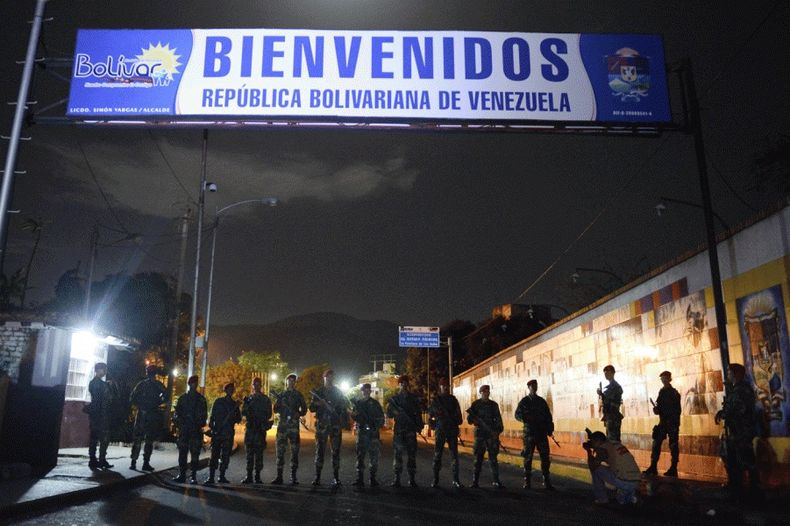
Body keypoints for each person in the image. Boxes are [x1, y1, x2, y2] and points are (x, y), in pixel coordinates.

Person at [715, 363, 760, 499]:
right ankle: (738, 486)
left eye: (730, 372)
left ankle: (752, 489)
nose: (728, 375)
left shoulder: (742, 390)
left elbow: (740, 409)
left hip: (742, 431)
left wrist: (725, 413)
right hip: (736, 431)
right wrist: (723, 412)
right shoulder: (736, 389)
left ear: (737, 374)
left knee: (745, 459)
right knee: (734, 459)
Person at [309, 369, 349, 487]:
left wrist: (339, 415)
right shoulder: (318, 392)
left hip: (335, 425)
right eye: (327, 377)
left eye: (331, 377)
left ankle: (336, 478)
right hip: (322, 425)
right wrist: (320, 404)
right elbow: (311, 408)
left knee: (336, 452)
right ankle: (317, 477)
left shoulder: (338, 392)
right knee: (320, 451)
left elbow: (343, 407)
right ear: (324, 378)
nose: (329, 379)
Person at [515, 379, 555, 490]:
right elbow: (517, 415)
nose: (534, 387)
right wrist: (526, 418)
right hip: (529, 434)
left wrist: (550, 429)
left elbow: (548, 416)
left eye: (535, 385)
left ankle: (546, 480)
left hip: (541, 433)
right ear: (529, 388)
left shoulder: (541, 401)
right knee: (528, 458)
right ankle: (527, 481)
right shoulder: (524, 401)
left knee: (545, 457)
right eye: (532, 386)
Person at [584, 430, 641, 505]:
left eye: (592, 442)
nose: (591, 444)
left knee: (597, 470)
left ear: (598, 441)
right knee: (622, 500)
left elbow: (593, 467)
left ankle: (602, 499)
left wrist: (588, 451)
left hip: (625, 481)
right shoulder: (614, 443)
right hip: (636, 480)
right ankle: (630, 495)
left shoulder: (603, 449)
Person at [386, 375, 423, 487]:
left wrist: (419, 426)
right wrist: (396, 412)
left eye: (405, 383)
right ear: (399, 385)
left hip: (410, 430)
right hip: (399, 430)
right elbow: (389, 414)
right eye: (402, 383)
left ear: (408, 384)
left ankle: (412, 479)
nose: (404, 385)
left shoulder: (413, 398)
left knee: (412, 455)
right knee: (398, 455)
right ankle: (397, 479)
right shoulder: (394, 399)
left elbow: (418, 413)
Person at [271, 373, 307, 485]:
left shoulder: (298, 395)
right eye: (289, 380)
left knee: (295, 451)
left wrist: (299, 413)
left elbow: (304, 409)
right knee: (280, 451)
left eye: (293, 380)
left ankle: (293, 477)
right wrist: (279, 403)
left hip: (294, 427)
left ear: (295, 382)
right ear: (286, 382)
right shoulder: (281, 395)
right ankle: (279, 476)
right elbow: (275, 410)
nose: (291, 382)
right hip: (282, 427)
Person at [129, 364, 167, 471]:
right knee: (148, 440)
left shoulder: (141, 384)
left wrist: (140, 405)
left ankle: (133, 462)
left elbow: (132, 398)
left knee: (138, 439)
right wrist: (158, 402)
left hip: (142, 414)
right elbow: (166, 396)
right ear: (155, 373)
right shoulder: (158, 385)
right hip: (151, 414)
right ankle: (145, 463)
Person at [644, 371, 681, 477]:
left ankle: (673, 468)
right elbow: (659, 407)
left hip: (672, 423)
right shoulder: (661, 392)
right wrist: (656, 410)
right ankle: (653, 466)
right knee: (656, 443)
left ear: (669, 379)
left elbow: (677, 410)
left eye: (665, 378)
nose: (663, 380)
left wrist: (670, 419)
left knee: (673, 445)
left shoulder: (674, 393)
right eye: (662, 379)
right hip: (663, 422)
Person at [466, 384, 504, 488]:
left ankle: (496, 481)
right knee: (478, 459)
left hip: (490, 435)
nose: (487, 393)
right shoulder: (476, 404)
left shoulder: (493, 405)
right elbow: (469, 420)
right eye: (485, 391)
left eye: (488, 391)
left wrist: (497, 432)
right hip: (480, 436)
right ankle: (475, 481)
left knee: (493, 459)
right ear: (481, 393)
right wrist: (475, 420)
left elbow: (498, 420)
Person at [428, 377, 463, 488]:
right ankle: (435, 479)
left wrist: (453, 421)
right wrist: (435, 426)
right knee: (437, 455)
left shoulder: (453, 400)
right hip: (441, 431)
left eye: (447, 385)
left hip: (452, 430)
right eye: (443, 385)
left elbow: (459, 418)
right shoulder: (436, 401)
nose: (445, 387)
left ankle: (456, 480)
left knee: (454, 456)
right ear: (440, 387)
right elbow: (430, 417)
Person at [173, 375, 207, 484]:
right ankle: (182, 474)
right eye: (192, 383)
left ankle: (193, 476)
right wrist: (180, 423)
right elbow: (176, 414)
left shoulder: (201, 399)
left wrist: (198, 422)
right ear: (189, 384)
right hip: (184, 430)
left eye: (195, 383)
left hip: (195, 430)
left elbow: (204, 416)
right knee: (182, 453)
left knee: (195, 454)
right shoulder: (183, 399)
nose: (194, 385)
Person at [205, 382, 241, 485]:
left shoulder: (234, 404)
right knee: (214, 455)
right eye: (228, 389)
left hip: (228, 433)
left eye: (232, 389)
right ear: (225, 390)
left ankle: (222, 476)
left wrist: (234, 414)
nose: (230, 390)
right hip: (218, 432)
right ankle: (211, 477)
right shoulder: (218, 401)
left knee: (225, 456)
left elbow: (238, 419)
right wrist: (212, 427)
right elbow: (212, 416)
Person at [350, 383, 385, 487]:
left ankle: (373, 479)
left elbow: (381, 418)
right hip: (362, 433)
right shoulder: (358, 403)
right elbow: (354, 416)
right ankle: (359, 479)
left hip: (373, 434)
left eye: (367, 389)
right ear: (362, 391)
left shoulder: (375, 404)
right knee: (360, 456)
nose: (365, 391)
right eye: (364, 390)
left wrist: (375, 426)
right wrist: (355, 415)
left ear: (370, 391)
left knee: (373, 458)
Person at [241, 378, 273, 484]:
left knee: (259, 454)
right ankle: (249, 476)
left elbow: (269, 414)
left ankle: (257, 476)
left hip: (259, 430)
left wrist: (260, 417)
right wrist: (246, 406)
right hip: (250, 429)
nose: (256, 386)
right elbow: (243, 412)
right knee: (249, 454)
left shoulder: (265, 399)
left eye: (258, 384)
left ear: (261, 385)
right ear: (252, 385)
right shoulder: (248, 399)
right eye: (254, 384)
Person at [88, 362, 114, 470]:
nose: (105, 372)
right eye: (104, 369)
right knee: (104, 438)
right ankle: (101, 459)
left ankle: (92, 459)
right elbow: (109, 398)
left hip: (94, 413)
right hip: (102, 414)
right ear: (99, 370)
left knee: (94, 437)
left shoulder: (92, 383)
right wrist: (109, 386)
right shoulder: (102, 385)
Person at [597, 365, 623, 441]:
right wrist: (601, 394)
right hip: (609, 416)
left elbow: (612, 401)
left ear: (612, 373)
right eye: (605, 373)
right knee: (610, 439)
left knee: (613, 440)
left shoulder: (616, 386)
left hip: (613, 416)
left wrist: (602, 395)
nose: (605, 375)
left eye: (607, 373)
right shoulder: (609, 387)